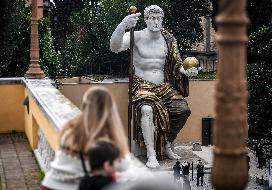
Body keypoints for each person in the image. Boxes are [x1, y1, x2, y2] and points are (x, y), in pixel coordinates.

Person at [110, 4, 198, 168]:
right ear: (146, 20)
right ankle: (151, 154)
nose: (156, 22)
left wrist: (186, 71)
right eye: (152, 18)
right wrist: (122, 25)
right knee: (146, 110)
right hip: (142, 85)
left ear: (162, 19)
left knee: (183, 110)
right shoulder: (137, 36)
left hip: (163, 86)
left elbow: (176, 64)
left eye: (158, 18)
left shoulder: (168, 39)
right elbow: (114, 47)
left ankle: (167, 144)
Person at [40, 86, 129, 190]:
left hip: (50, 184)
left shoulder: (69, 128)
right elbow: (123, 165)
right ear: (110, 109)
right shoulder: (105, 138)